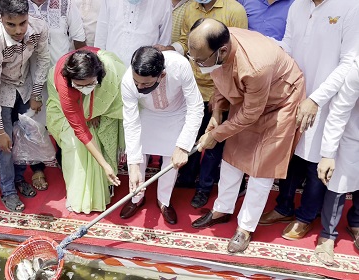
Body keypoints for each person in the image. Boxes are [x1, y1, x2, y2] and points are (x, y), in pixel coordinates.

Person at [188, 18, 305, 253]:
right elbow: (219, 78)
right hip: (249, 98)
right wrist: (217, 113)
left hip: (280, 103)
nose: (198, 65)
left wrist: (217, 134)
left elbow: (251, 114)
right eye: (194, 58)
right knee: (233, 156)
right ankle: (222, 209)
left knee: (261, 168)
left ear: (222, 50)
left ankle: (245, 227)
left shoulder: (254, 66)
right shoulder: (218, 42)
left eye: (201, 60)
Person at [259, 0, 359, 241]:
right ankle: (284, 207)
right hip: (297, 94)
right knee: (291, 155)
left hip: (329, 100)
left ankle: (306, 216)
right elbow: (290, 47)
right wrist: (262, 46)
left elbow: (349, 62)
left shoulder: (351, 6)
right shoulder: (297, 6)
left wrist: (316, 99)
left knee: (316, 160)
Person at [154, 0, 248, 207]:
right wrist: (171, 48)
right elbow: (184, 41)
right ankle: (187, 178)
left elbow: (235, 54)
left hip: (221, 89)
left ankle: (204, 188)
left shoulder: (234, 10)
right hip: (192, 86)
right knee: (191, 135)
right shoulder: (190, 8)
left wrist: (221, 95)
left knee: (213, 140)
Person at [120, 46, 204, 225]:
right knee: (139, 156)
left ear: (162, 75)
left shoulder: (180, 66)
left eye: (145, 84)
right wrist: (133, 164)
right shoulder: (128, 81)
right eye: (137, 83)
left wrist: (183, 146)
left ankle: (164, 201)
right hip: (148, 113)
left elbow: (196, 107)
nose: (139, 87)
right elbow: (131, 122)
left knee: (171, 159)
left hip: (176, 113)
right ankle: (136, 197)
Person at [0, 0, 50, 212]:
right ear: (0, 18)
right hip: (2, 91)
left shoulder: (39, 28)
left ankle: (20, 178)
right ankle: (8, 190)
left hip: (26, 87)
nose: (19, 30)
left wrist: (37, 93)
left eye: (23, 22)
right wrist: (0, 131)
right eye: (11, 24)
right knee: (6, 145)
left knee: (25, 136)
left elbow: (43, 58)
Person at [46, 47, 126, 214]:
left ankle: (106, 183)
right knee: (74, 145)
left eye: (90, 84)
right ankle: (80, 193)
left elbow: (108, 92)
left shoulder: (108, 72)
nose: (86, 88)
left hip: (99, 92)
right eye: (80, 85)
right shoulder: (65, 86)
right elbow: (80, 130)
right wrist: (104, 166)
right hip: (64, 99)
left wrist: (95, 110)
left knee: (103, 127)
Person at [314, 57, 359, 266]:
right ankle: (327, 235)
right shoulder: (356, 70)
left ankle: (356, 223)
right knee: (338, 183)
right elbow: (339, 112)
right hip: (352, 132)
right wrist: (328, 154)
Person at [94, 0, 172, 67]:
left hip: (144, 73)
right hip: (111, 69)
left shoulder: (163, 2)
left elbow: (164, 42)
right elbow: (101, 34)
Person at [28, 0, 86, 65]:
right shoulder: (18, 4)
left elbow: (79, 39)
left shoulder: (66, 3)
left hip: (61, 70)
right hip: (29, 73)